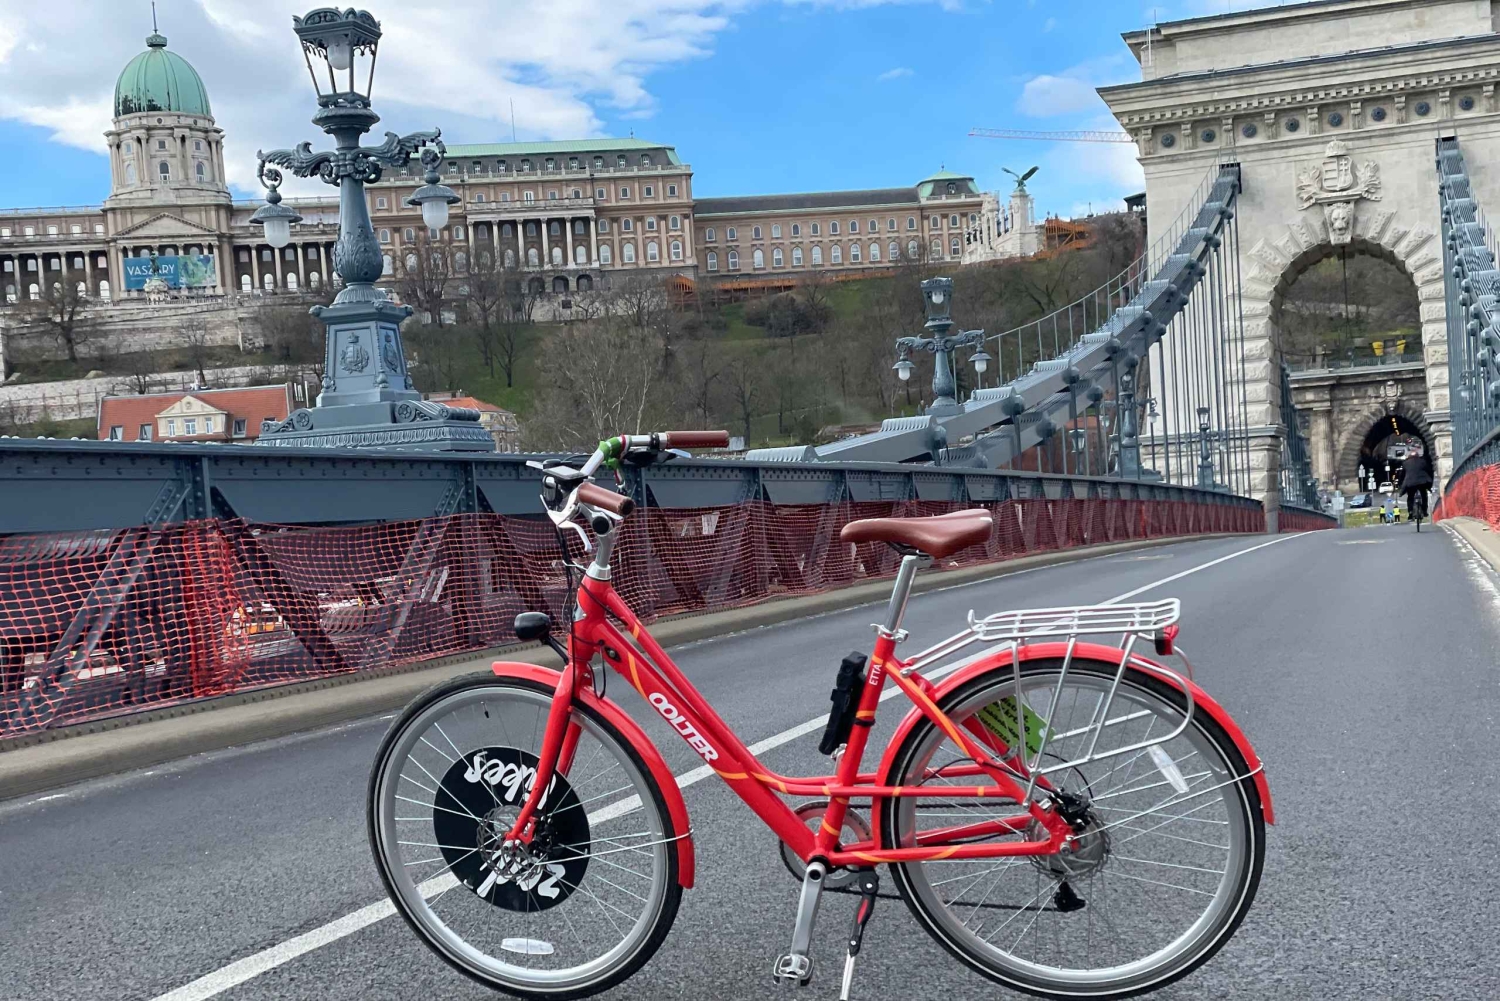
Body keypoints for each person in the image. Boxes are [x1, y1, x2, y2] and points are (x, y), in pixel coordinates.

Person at [1397, 443, 1433, 527]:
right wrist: (1430, 482)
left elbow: (1402, 475)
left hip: (1410, 483)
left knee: (1410, 497)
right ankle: (1424, 511)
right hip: (1422, 482)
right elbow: (1429, 471)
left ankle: (1410, 513)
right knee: (1424, 495)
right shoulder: (1422, 461)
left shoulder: (1405, 463)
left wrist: (1400, 484)